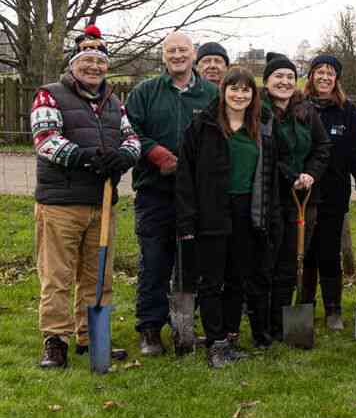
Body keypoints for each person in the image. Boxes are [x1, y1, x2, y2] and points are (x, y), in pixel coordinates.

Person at [31, 26, 140, 367]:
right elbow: (46, 140)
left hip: (102, 203)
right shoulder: (49, 95)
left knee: (98, 276)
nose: (93, 66)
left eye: (99, 61)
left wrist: (124, 157)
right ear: (74, 64)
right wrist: (88, 157)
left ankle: (90, 336)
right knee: (57, 275)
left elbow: (132, 139)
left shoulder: (114, 102)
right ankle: (55, 340)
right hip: (60, 203)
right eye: (86, 60)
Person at [176, 67, 279, 365]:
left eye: (246, 90)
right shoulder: (203, 127)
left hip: (248, 213)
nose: (239, 94)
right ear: (223, 91)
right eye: (233, 88)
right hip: (211, 212)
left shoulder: (261, 130)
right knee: (212, 281)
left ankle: (231, 336)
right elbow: (185, 176)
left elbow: (268, 178)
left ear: (253, 95)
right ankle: (215, 343)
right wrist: (187, 219)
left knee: (237, 279)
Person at [127, 32, 218, 356]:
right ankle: (150, 328)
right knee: (154, 261)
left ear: (194, 55)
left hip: (195, 195)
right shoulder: (145, 92)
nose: (177, 55)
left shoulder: (210, 94)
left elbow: (222, 136)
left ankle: (186, 325)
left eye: (183, 50)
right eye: (171, 51)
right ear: (163, 57)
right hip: (155, 191)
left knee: (193, 262)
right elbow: (129, 131)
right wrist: (156, 154)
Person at [299, 54, 356, 331]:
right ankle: (305, 305)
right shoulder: (299, 107)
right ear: (311, 76)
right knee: (305, 252)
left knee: (329, 251)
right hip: (302, 195)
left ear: (337, 79)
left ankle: (333, 308)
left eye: (330, 73)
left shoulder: (346, 111)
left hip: (334, 193)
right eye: (319, 71)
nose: (324, 77)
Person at [261, 52, 331, 343]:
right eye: (278, 76)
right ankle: (263, 320)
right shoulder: (258, 111)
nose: (285, 82)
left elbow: (322, 146)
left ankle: (282, 323)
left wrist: (311, 174)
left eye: (290, 76)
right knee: (267, 261)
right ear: (266, 82)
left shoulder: (306, 112)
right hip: (268, 197)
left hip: (303, 199)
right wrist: (290, 175)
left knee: (292, 262)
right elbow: (266, 152)